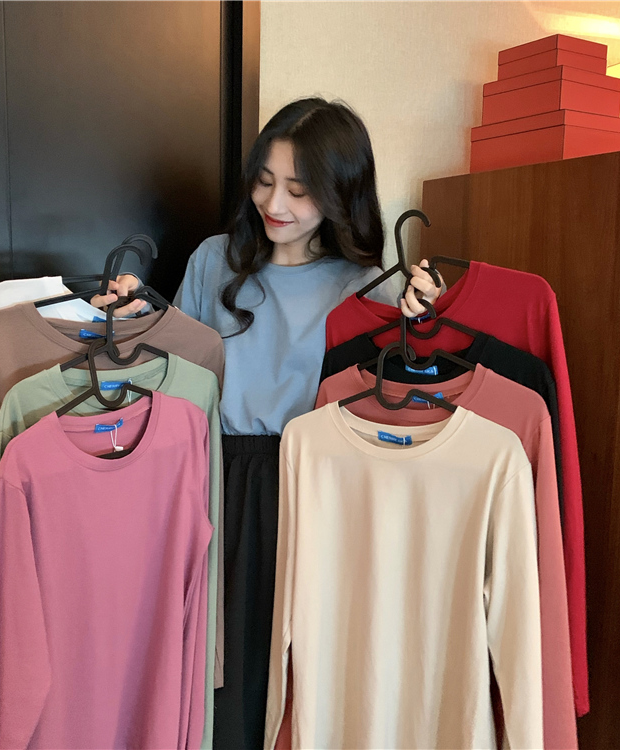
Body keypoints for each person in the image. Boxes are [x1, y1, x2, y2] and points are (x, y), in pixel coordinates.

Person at [93, 97, 443, 749]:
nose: (274, 203)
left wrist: (421, 322)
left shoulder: (365, 284)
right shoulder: (213, 259)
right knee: (209, 676)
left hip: (314, 486)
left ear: (339, 193)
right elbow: (177, 374)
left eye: (298, 189)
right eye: (264, 180)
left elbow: (392, 404)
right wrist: (137, 319)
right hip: (213, 476)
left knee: (299, 678)